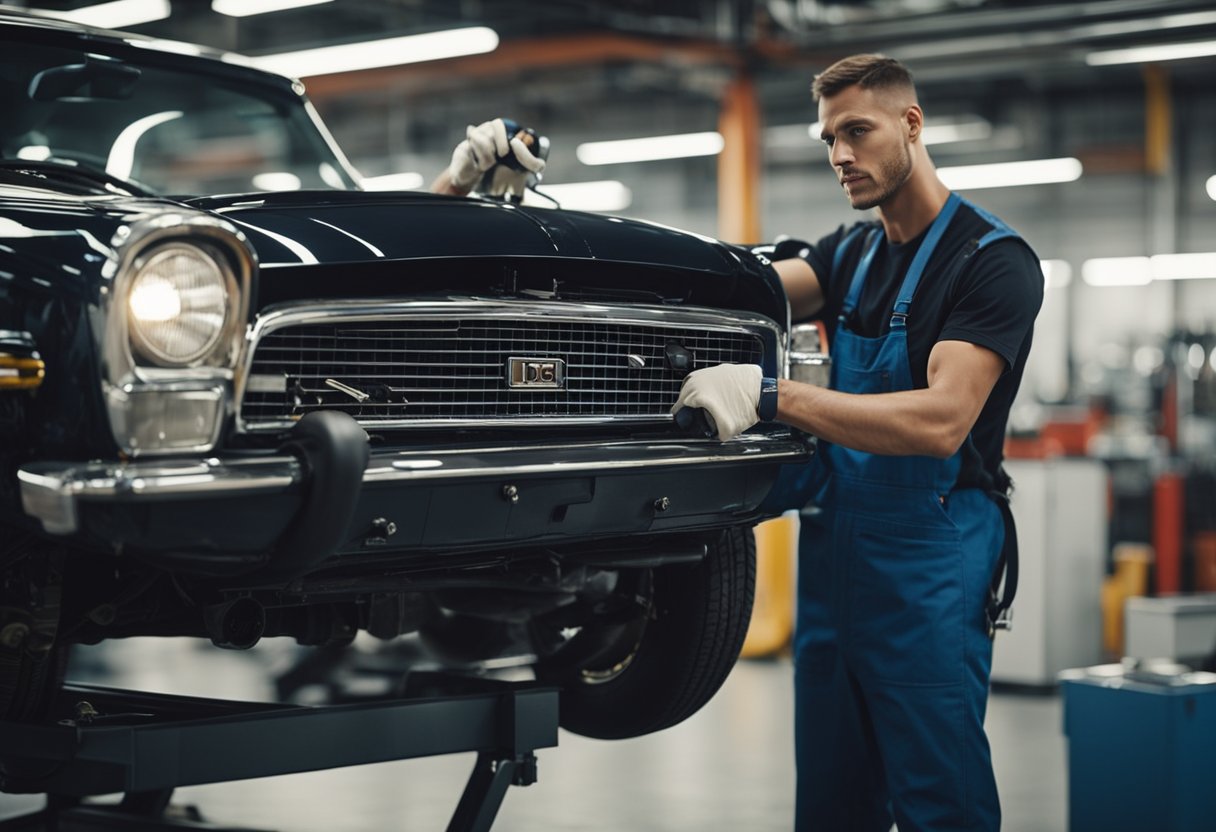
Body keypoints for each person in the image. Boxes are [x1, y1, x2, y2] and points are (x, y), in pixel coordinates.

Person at [671, 54, 1043, 831]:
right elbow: (747, 289)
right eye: (829, 138)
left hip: (927, 571)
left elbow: (942, 419)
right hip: (836, 568)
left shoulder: (990, 264)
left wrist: (774, 397)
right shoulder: (849, 254)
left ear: (911, 124)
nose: (841, 155)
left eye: (858, 132)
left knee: (941, 802)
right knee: (833, 805)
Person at [430, 117, 546, 198]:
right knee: (456, 189)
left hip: (466, 151)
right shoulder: (509, 144)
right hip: (472, 165)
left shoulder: (507, 128)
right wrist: (537, 165)